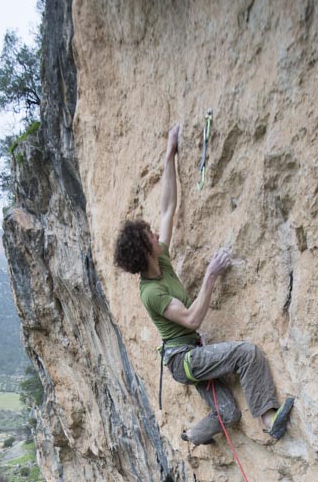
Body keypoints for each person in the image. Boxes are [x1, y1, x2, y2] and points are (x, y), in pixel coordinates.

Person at [113, 123, 294, 446]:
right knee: (248, 354)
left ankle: (194, 435)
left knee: (229, 414)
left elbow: (168, 207)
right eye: (149, 236)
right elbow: (193, 320)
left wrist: (170, 154)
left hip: (190, 355)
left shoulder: (162, 259)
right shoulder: (152, 292)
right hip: (184, 360)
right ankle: (269, 419)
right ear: (144, 251)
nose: (156, 234)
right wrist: (211, 275)